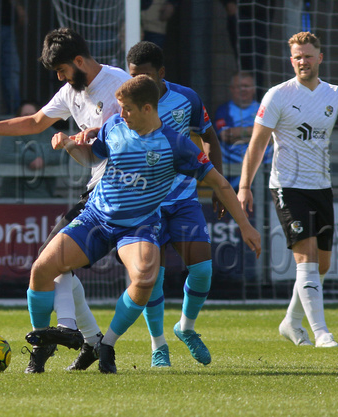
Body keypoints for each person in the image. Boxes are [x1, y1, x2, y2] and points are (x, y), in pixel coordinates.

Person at [36, 75, 260, 374]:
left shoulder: (176, 144)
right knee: (42, 268)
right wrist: (68, 146)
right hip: (96, 218)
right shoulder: (115, 126)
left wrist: (245, 226)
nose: (120, 113)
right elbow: (93, 157)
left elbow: (219, 184)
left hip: (138, 226)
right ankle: (40, 348)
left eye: (126, 108)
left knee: (144, 278)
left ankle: (107, 344)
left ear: (147, 108)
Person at [0, 27, 131, 373]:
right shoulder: (71, 91)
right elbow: (34, 122)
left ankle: (55, 341)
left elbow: (134, 128)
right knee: (50, 265)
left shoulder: (118, 83)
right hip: (97, 188)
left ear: (79, 60)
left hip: (118, 192)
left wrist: (88, 137)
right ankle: (88, 342)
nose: (61, 77)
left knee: (50, 265)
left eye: (62, 70)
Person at [237, 32, 338, 348]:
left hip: (321, 187)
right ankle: (322, 332)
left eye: (308, 56)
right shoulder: (277, 96)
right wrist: (244, 186)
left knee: (321, 266)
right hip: (287, 186)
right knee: (306, 260)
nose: (302, 61)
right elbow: (257, 143)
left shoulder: (335, 94)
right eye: (297, 56)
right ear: (291, 59)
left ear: (320, 58)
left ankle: (291, 322)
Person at [126, 41, 224, 368]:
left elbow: (210, 139)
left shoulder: (187, 99)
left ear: (162, 74)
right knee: (151, 275)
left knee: (203, 269)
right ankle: (158, 346)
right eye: (133, 76)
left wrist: (220, 189)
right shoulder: (125, 101)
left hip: (182, 196)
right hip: (144, 202)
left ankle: (186, 327)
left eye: (145, 77)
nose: (138, 83)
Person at [215, 72, 272, 190]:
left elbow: (271, 138)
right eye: (239, 86)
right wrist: (257, 135)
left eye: (247, 86)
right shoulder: (224, 110)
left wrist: (239, 133)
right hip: (232, 168)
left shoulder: (264, 108)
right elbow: (226, 136)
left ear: (254, 89)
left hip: (263, 167)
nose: (243, 90)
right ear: (231, 89)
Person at [0, 101, 62, 199]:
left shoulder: (50, 133)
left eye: (32, 114)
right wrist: (30, 159)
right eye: (25, 115)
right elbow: (4, 156)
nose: (29, 117)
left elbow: (63, 155)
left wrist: (44, 160)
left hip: (44, 194)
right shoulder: (11, 133)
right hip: (13, 195)